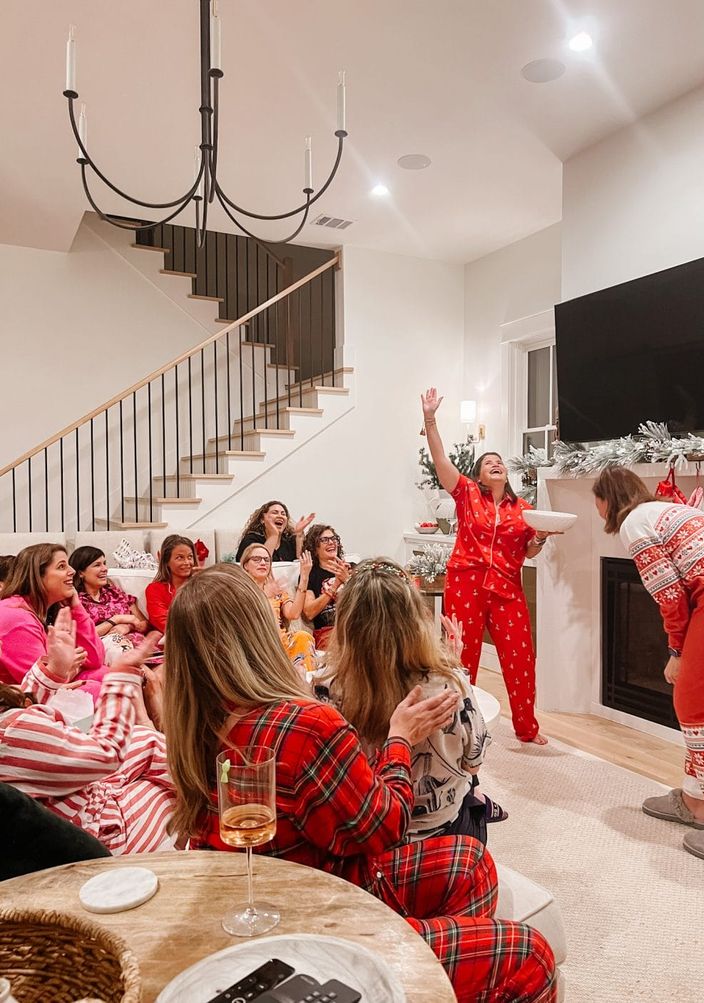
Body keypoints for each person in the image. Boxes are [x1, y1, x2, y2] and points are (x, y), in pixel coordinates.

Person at [163, 566, 556, 1003]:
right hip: (321, 916)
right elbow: (383, 828)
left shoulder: (192, 725)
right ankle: (399, 976)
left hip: (293, 884)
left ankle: (432, 988)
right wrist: (400, 740)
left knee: (471, 860)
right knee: (531, 953)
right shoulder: (306, 726)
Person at [593, 465, 704, 868]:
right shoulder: (670, 510)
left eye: (597, 502)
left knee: (698, 713)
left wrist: (677, 652)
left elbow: (670, 595)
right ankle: (695, 801)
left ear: (608, 499)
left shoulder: (635, 523)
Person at [320, 558, 502, 842]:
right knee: (471, 788)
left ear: (345, 623)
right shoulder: (449, 684)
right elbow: (473, 763)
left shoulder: (325, 688)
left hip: (363, 833)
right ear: (416, 618)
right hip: (442, 834)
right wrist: (453, 665)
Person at [421, 387, 556, 744]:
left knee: (521, 656)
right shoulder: (466, 493)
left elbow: (528, 551)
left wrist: (540, 538)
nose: (496, 463)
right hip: (466, 582)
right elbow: (441, 463)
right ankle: (460, 726)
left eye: (500, 461)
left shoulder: (523, 508)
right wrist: (430, 420)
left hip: (507, 588)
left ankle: (526, 728)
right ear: (479, 475)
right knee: (461, 655)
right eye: (488, 462)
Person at [0, 609, 175, 855]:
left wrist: (54, 671)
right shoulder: (12, 732)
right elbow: (106, 755)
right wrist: (122, 676)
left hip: (76, 798)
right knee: (174, 790)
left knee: (147, 741)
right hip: (95, 835)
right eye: (60, 566)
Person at [0, 544, 106, 701]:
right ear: (37, 576)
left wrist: (76, 606)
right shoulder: (16, 618)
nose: (72, 571)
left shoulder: (51, 608)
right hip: (18, 700)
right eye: (62, 566)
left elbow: (95, 658)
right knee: (103, 690)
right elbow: (40, 687)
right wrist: (66, 666)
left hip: (42, 689)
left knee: (113, 675)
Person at [240, 542, 317, 674]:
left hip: (281, 642)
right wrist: (265, 597)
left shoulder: (276, 589)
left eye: (266, 560)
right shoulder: (240, 590)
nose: (263, 563)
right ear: (246, 565)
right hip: (257, 643)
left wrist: (304, 577)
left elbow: (293, 614)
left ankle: (308, 683)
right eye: (256, 559)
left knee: (302, 637)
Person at [69, 547, 149, 664]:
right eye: (97, 565)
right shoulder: (76, 601)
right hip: (109, 652)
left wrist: (127, 627)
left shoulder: (115, 593)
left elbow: (144, 624)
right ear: (81, 573)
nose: (105, 569)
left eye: (104, 563)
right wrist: (116, 620)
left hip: (141, 648)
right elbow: (83, 636)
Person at [303, 523, 352, 649]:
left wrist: (347, 580)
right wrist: (335, 585)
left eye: (333, 538)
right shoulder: (311, 575)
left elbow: (367, 599)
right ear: (315, 548)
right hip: (328, 632)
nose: (331, 542)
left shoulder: (351, 568)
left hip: (354, 624)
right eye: (324, 540)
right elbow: (309, 612)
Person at [145, 534, 197, 633]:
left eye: (190, 557)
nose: (187, 562)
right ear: (166, 561)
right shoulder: (154, 589)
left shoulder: (201, 585)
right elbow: (163, 623)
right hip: (173, 641)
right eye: (180, 558)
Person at [235, 501, 315, 563]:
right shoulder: (251, 540)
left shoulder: (289, 540)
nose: (280, 516)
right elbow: (261, 564)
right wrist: (274, 535)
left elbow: (300, 562)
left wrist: (299, 535)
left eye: (283, 514)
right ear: (262, 519)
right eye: (275, 513)